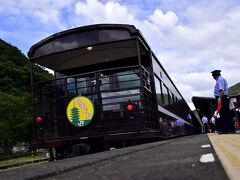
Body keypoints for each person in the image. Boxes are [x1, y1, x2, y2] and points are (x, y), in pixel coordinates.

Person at [211, 70, 235, 134]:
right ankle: (225, 129)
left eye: (213, 75)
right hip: (222, 98)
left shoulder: (220, 80)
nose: (212, 77)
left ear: (215, 75)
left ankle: (230, 129)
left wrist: (219, 98)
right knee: (223, 114)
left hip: (222, 98)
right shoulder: (220, 80)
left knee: (226, 114)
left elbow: (222, 90)